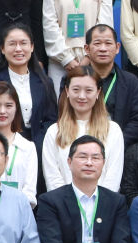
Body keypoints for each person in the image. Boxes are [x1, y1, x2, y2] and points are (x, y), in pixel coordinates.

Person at [41, 65, 124, 193]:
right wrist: (66, 202)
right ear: (67, 91)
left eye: (88, 90)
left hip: (103, 203)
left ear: (98, 92)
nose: (81, 96)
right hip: (63, 203)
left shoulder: (113, 130)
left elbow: (113, 176)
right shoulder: (55, 131)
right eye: (76, 89)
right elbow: (52, 177)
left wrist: (101, 201)